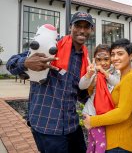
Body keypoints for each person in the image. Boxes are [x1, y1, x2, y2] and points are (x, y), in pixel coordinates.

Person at [6, 11, 95, 153]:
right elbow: (11, 63)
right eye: (78, 25)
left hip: (71, 125)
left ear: (91, 30)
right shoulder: (51, 45)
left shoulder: (85, 58)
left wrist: (102, 101)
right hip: (46, 124)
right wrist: (26, 63)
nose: (82, 30)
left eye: (87, 27)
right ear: (71, 27)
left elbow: (79, 92)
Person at [83, 38, 132, 153]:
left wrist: (93, 121)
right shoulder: (121, 77)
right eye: (113, 54)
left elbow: (122, 113)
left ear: (131, 56)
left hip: (120, 142)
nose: (115, 58)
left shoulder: (131, 78)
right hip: (112, 140)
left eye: (120, 54)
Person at [79, 44, 120, 153]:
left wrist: (104, 73)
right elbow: (82, 85)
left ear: (111, 59)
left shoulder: (115, 72)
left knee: (92, 144)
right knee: (101, 145)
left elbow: (117, 83)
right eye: (99, 60)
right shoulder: (93, 72)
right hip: (92, 114)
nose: (103, 63)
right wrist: (89, 74)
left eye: (106, 59)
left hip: (102, 115)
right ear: (94, 60)